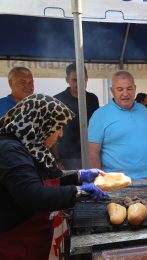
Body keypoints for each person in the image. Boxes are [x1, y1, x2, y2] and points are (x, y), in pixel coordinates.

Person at [0, 94, 108, 259]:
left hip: (34, 241)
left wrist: (78, 176)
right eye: (57, 127)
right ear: (40, 124)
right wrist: (78, 192)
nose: (60, 134)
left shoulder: (30, 146)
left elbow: (47, 178)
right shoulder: (10, 150)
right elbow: (32, 194)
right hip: (15, 242)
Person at [88, 71, 147, 179]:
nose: (125, 93)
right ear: (112, 90)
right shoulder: (100, 115)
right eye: (120, 89)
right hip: (117, 181)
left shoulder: (143, 109)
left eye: (129, 88)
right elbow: (92, 152)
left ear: (135, 88)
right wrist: (98, 181)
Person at [53, 63, 100, 170]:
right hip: (66, 158)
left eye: (82, 79)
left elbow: (97, 128)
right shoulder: (57, 100)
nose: (79, 83)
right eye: (75, 80)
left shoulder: (93, 99)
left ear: (87, 79)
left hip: (90, 155)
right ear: (67, 80)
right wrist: (57, 160)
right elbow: (52, 133)